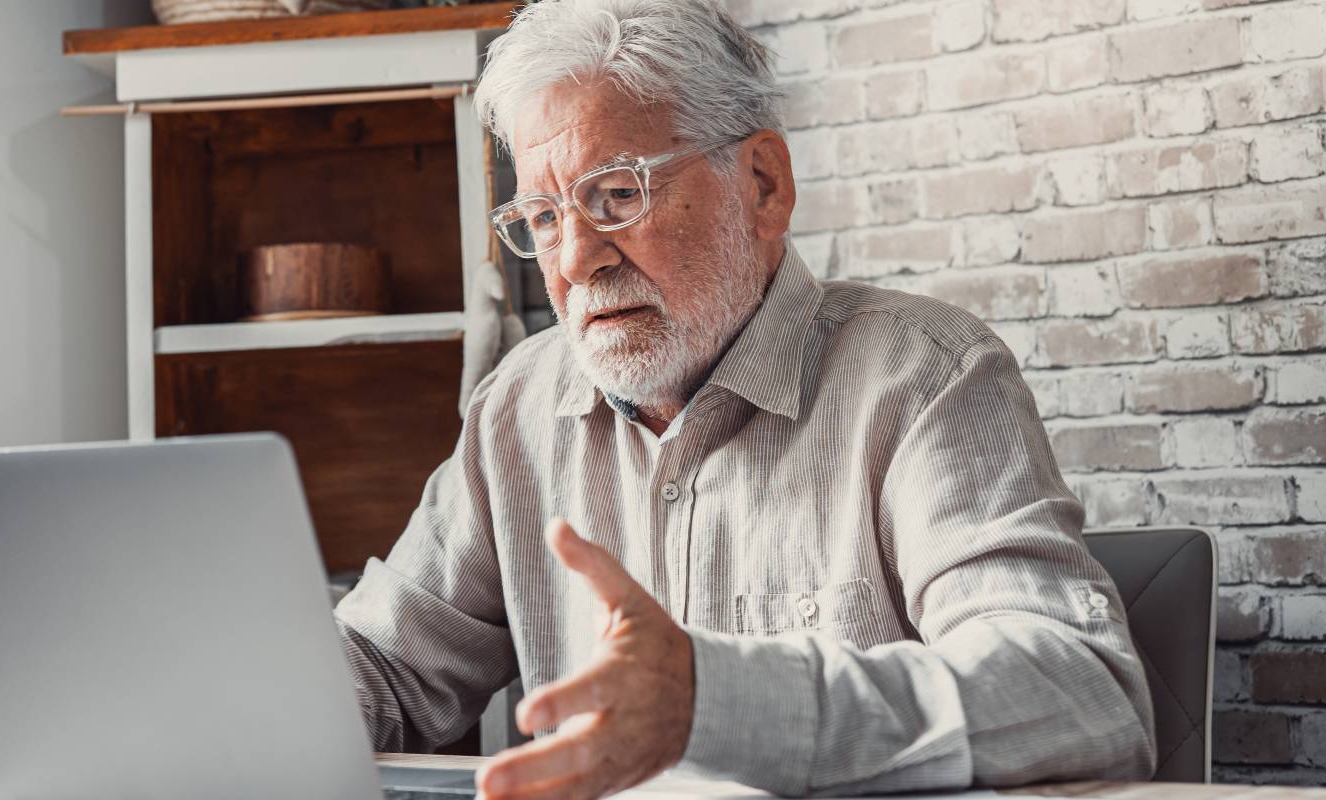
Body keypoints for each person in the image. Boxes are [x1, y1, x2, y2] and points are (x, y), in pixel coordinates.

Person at [332, 1, 1158, 797]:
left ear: (763, 184)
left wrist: (715, 702)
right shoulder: (517, 406)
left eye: (617, 194)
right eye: (545, 218)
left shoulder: (927, 377)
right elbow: (389, 670)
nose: (578, 259)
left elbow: (1083, 692)